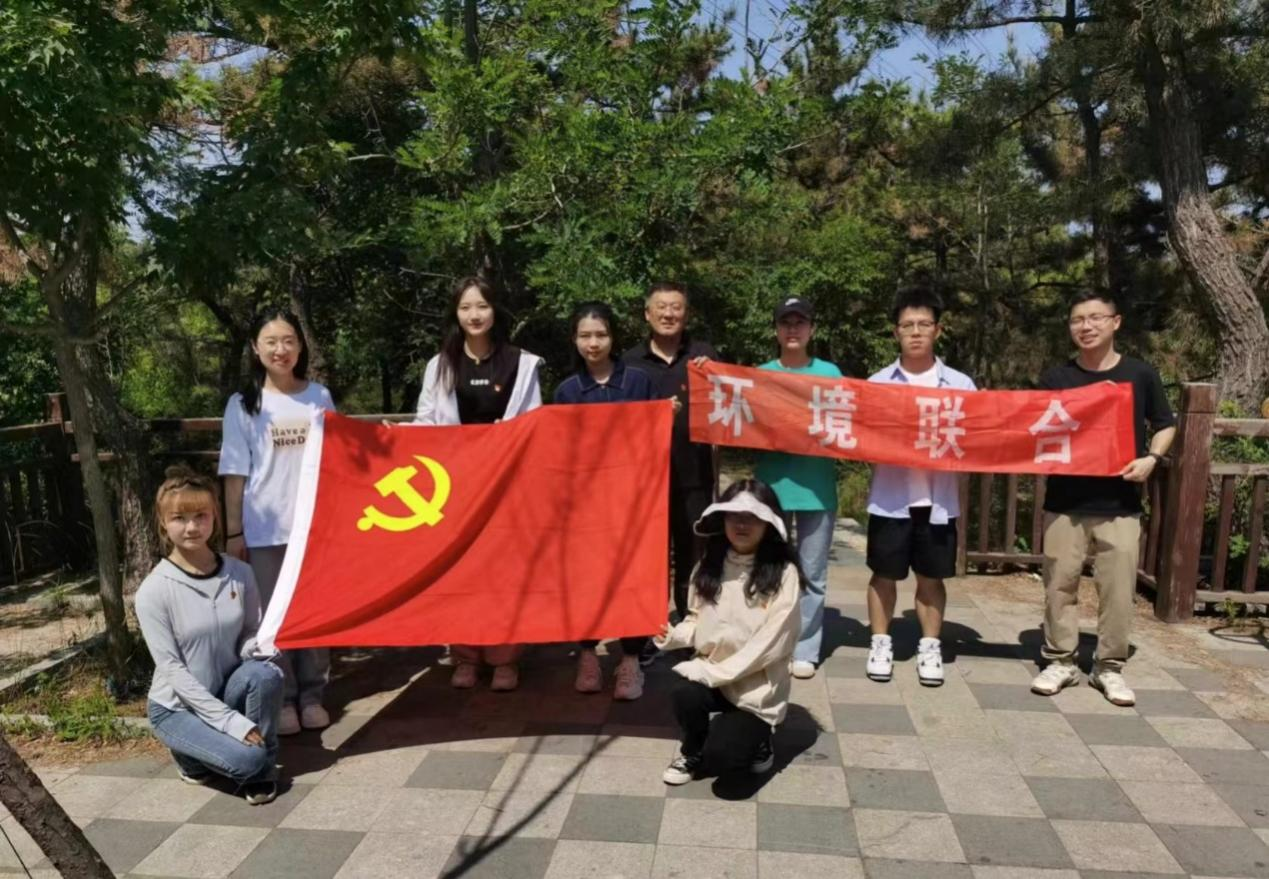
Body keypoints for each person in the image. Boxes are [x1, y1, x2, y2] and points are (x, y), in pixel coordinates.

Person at [1030, 290, 1176, 706]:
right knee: (1059, 584)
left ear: (1116, 322)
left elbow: (1165, 423)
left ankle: (1109, 667)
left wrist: (1152, 459)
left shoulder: (1139, 374)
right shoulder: (1056, 378)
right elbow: (1033, 428)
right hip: (1065, 501)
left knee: (1118, 590)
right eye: (1078, 319)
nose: (1086, 326)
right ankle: (1060, 660)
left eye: (1095, 317)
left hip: (1120, 502)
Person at [414, 275, 544, 691]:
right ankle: (466, 654)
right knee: (461, 572)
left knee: (505, 572)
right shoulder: (440, 365)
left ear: (495, 310)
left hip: (506, 488)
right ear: (456, 313)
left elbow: (534, 424)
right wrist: (396, 439)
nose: (474, 315)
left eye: (482, 306)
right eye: (466, 307)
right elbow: (426, 423)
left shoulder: (521, 363)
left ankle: (505, 657)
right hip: (456, 489)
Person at [136, 466, 282, 805]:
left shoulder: (240, 573)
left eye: (201, 515)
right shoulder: (154, 591)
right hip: (177, 707)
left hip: (225, 690)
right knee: (246, 760)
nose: (192, 527)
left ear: (215, 517)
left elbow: (250, 632)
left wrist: (263, 648)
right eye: (179, 518)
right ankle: (191, 757)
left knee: (265, 675)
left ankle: (263, 766)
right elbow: (172, 670)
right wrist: (231, 723)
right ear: (163, 523)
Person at [220, 309, 335, 735]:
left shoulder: (318, 397)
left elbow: (342, 457)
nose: (280, 349)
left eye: (288, 340)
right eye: (271, 341)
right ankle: (282, 698)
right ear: (256, 348)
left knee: (315, 611)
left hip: (315, 528)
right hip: (264, 529)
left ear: (300, 346)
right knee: (271, 616)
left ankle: (313, 695)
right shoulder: (243, 404)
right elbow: (235, 473)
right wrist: (234, 531)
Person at [654, 479, 803, 785]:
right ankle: (693, 750)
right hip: (714, 674)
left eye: (752, 517)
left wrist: (714, 674)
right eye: (734, 515)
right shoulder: (709, 563)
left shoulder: (784, 573)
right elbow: (696, 617)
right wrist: (674, 637)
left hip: (756, 687)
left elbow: (770, 644)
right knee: (684, 693)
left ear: (769, 523)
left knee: (728, 765)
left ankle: (760, 740)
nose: (741, 524)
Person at [864, 286, 976, 687]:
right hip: (889, 498)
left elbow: (977, 437)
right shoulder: (876, 383)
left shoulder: (960, 385)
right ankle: (880, 642)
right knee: (883, 574)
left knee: (931, 577)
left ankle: (930, 646)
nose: (915, 332)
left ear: (938, 330)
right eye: (907, 325)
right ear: (896, 331)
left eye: (923, 324)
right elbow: (861, 437)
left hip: (939, 500)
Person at [554, 301, 657, 700]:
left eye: (600, 335)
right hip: (585, 507)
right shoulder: (566, 391)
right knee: (586, 582)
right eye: (585, 335)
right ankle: (588, 655)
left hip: (634, 501)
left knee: (634, 578)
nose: (593, 343)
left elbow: (654, 436)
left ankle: (630, 661)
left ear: (613, 338)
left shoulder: (638, 382)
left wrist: (665, 414)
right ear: (574, 340)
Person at [622, 282, 718, 664]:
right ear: (647, 314)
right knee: (650, 559)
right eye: (660, 307)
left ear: (686, 314)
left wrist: (713, 375)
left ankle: (692, 630)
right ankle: (650, 630)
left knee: (694, 558)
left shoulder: (704, 356)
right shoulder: (629, 362)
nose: (668, 314)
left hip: (695, 476)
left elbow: (727, 405)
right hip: (645, 481)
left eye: (676, 307)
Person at [753, 297, 841, 679]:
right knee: (767, 570)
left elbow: (849, 421)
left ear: (811, 329)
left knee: (812, 574)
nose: (793, 329)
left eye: (800, 322)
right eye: (785, 322)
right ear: (776, 330)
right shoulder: (759, 375)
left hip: (817, 488)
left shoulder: (830, 373)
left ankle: (805, 648)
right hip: (770, 487)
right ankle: (767, 645)